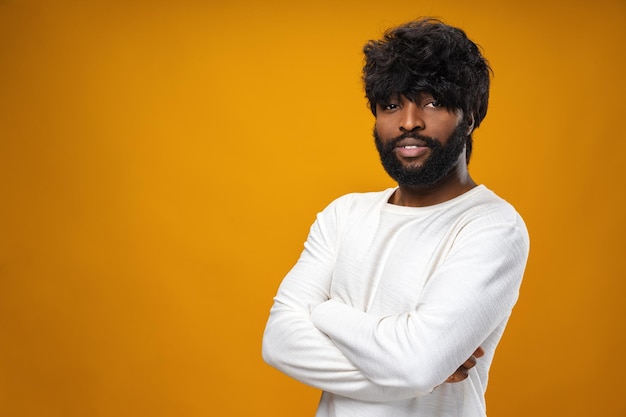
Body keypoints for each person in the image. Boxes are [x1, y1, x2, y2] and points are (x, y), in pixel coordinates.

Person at [262, 17, 529, 417]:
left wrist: (324, 311)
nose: (408, 122)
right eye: (391, 105)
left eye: (432, 102)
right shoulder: (343, 214)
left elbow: (415, 365)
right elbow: (279, 342)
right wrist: (415, 377)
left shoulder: (492, 226)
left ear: (470, 115)